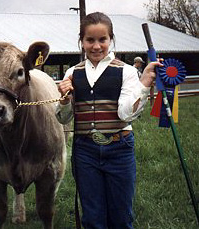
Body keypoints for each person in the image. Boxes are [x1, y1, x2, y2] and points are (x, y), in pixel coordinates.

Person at [55, 12, 163, 229]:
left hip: (119, 149)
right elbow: (63, 118)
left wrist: (143, 84)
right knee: (93, 218)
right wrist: (65, 100)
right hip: (85, 151)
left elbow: (125, 114)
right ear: (81, 41)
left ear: (110, 39)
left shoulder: (127, 71)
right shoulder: (72, 73)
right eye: (90, 40)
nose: (96, 46)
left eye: (102, 39)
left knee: (121, 217)